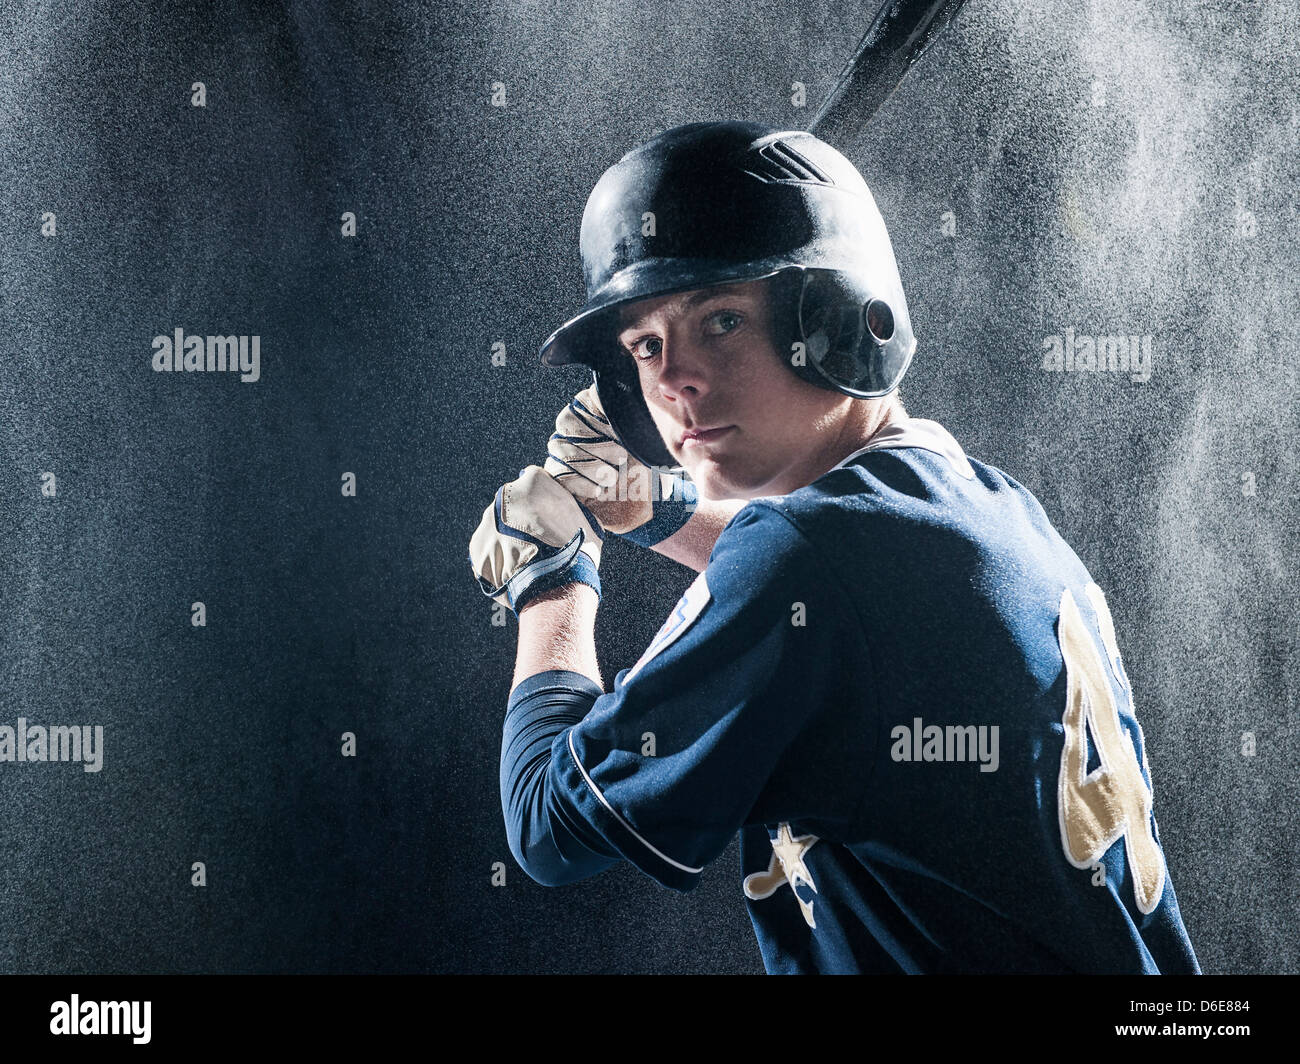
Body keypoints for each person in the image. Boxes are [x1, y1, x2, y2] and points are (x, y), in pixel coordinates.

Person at [469, 121, 1200, 974]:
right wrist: (657, 513)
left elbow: (551, 828)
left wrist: (552, 576)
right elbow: (838, 620)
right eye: (645, 345)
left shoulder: (803, 553)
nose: (673, 381)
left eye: (722, 321)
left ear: (849, 321)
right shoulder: (991, 508)